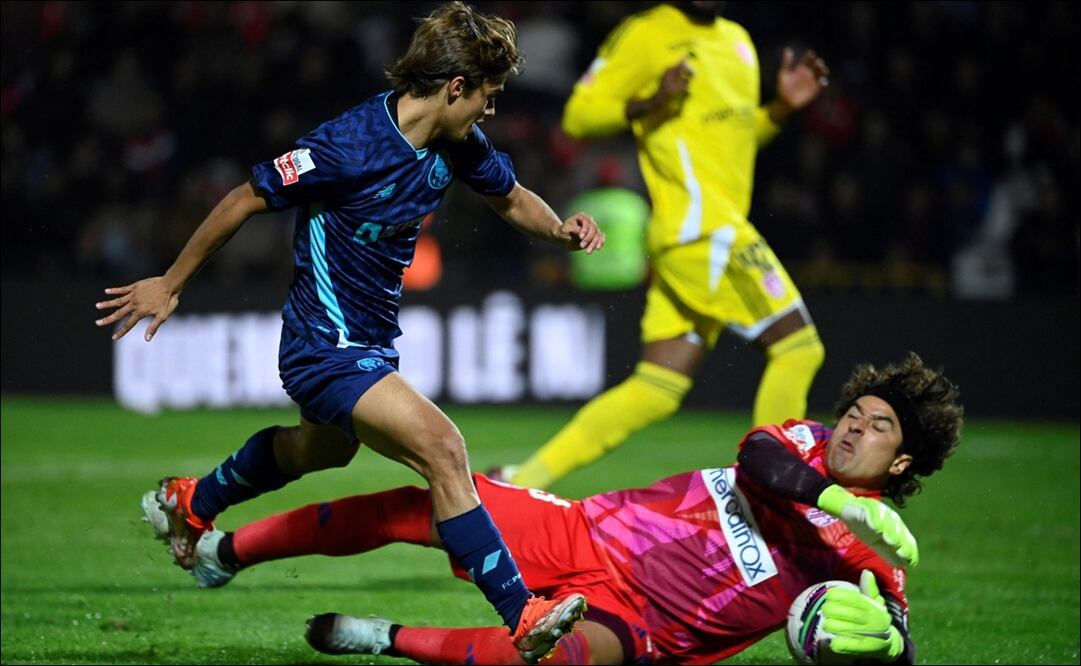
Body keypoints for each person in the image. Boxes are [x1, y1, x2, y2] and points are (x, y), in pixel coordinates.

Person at [93, 3, 604, 662]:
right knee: (444, 450)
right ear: (456, 87)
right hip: (322, 345)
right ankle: (521, 612)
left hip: (369, 341)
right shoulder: (347, 145)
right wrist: (171, 282)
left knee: (320, 452)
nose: (491, 108)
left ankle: (193, 502)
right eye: (488, 93)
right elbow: (245, 197)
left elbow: (510, 198)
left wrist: (559, 230)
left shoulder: (458, 145)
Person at [176, 353, 962, 665]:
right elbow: (757, 453)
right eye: (854, 412)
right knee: (414, 509)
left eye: (876, 427)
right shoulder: (802, 447)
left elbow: (895, 641)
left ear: (900, 463)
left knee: (554, 659)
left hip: (650, 626)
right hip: (583, 529)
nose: (852, 426)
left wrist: (882, 643)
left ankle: (382, 638)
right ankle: (225, 553)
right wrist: (830, 496)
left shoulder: (872, 558)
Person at [497, 1, 832, 490]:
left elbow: (734, 141)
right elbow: (579, 116)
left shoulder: (737, 39)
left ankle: (520, 481)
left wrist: (780, 110)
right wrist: (651, 101)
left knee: (658, 387)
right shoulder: (647, 33)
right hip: (703, 228)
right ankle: (773, 497)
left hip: (706, 232)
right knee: (799, 350)